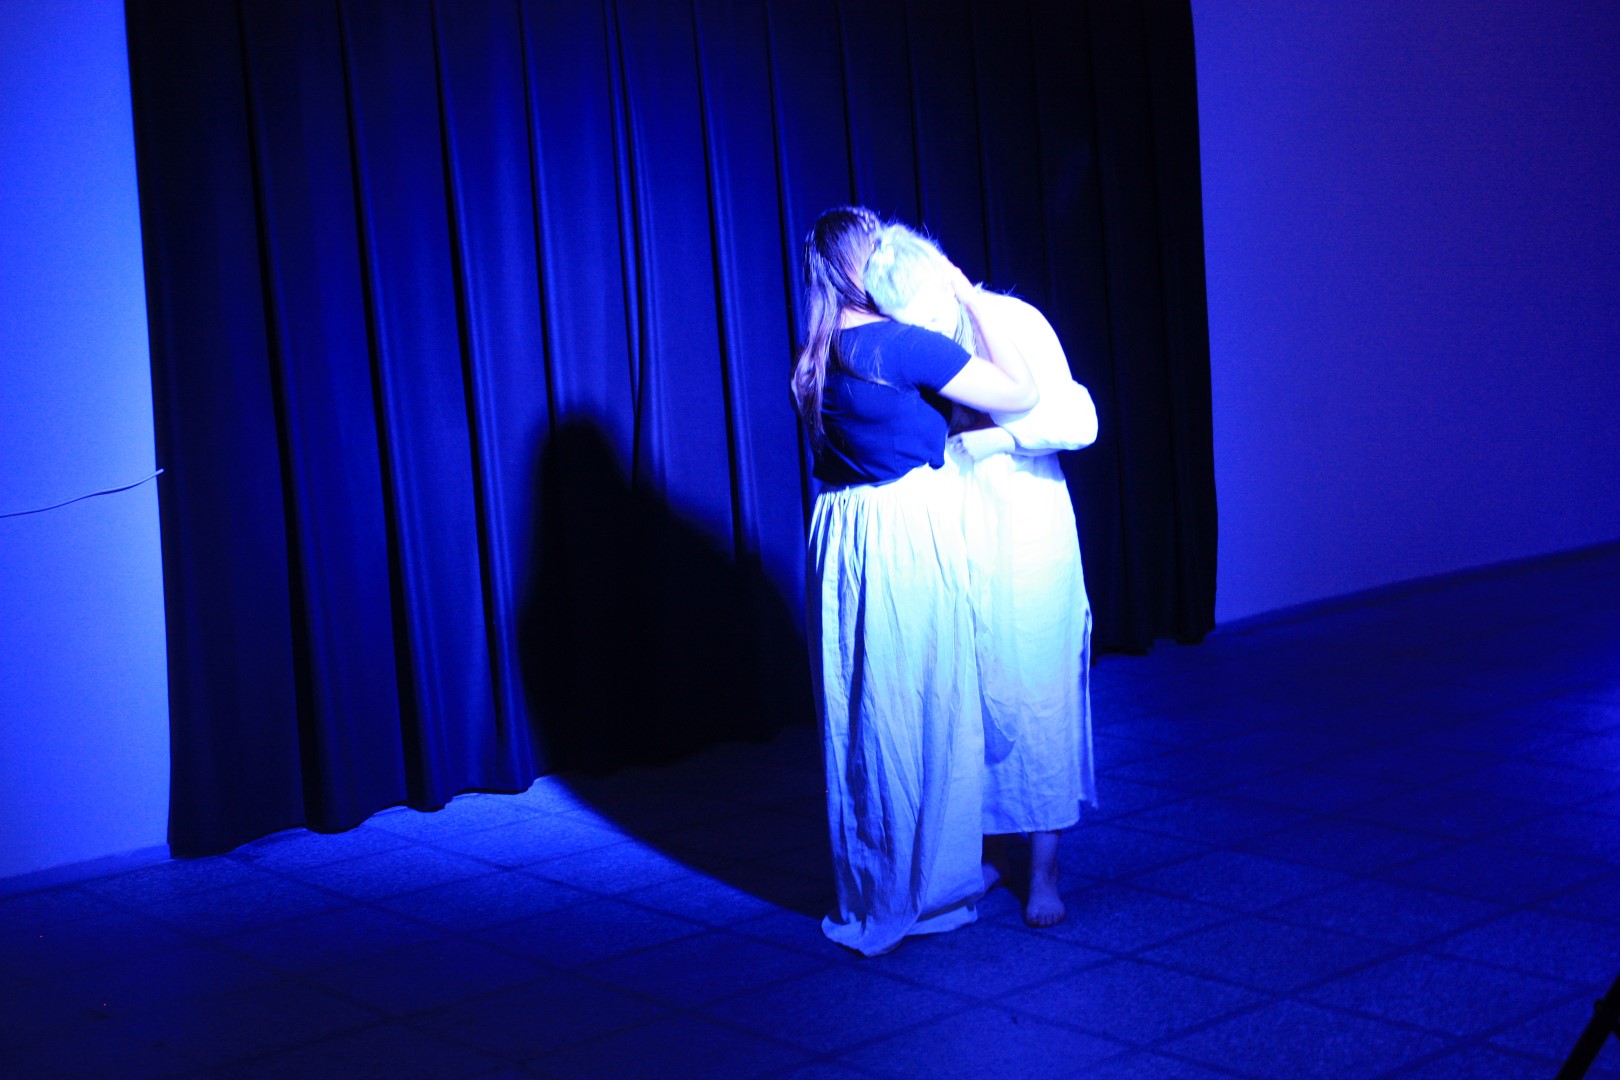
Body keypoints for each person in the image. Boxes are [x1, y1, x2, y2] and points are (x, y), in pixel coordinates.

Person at [792, 207, 1039, 956]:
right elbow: (1021, 392)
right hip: (902, 530)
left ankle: (880, 880)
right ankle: (929, 886)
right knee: (927, 701)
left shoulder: (816, 352)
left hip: (843, 530)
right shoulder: (903, 345)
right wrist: (968, 296)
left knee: (867, 713)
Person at [864, 224, 1098, 927]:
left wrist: (1002, 438)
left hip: (1025, 527)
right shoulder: (905, 340)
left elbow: (1079, 418)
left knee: (1037, 693)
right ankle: (990, 848)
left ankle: (1045, 869)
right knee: (969, 692)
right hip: (952, 526)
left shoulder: (1013, 320)